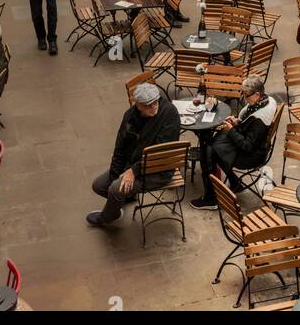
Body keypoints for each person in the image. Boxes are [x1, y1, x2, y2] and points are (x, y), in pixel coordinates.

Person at [87, 83, 182, 227]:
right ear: (138, 105)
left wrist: (133, 171)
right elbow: (119, 149)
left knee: (114, 189)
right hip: (132, 165)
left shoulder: (169, 113)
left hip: (157, 169)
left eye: (156, 102)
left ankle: (107, 217)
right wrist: (115, 174)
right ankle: (127, 197)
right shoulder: (130, 116)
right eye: (149, 105)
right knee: (99, 185)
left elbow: (159, 153)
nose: (154, 107)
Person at [192, 75, 277, 209]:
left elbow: (247, 146)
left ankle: (210, 198)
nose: (244, 98)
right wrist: (238, 121)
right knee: (213, 144)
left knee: (209, 151)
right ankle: (234, 182)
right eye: (242, 93)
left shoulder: (260, 120)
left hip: (251, 155)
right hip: (254, 144)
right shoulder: (265, 101)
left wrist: (231, 130)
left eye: (246, 95)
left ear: (257, 94)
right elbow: (249, 122)